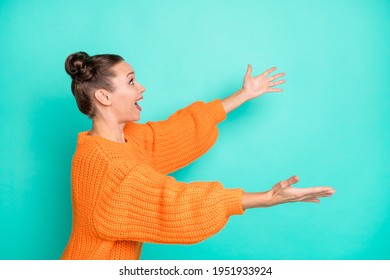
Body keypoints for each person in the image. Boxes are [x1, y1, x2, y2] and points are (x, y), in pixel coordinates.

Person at [60, 51, 336, 260]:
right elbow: (171, 203)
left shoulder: (127, 140)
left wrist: (243, 94)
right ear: (104, 97)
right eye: (131, 82)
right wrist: (264, 199)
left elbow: (182, 129)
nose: (141, 87)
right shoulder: (104, 165)